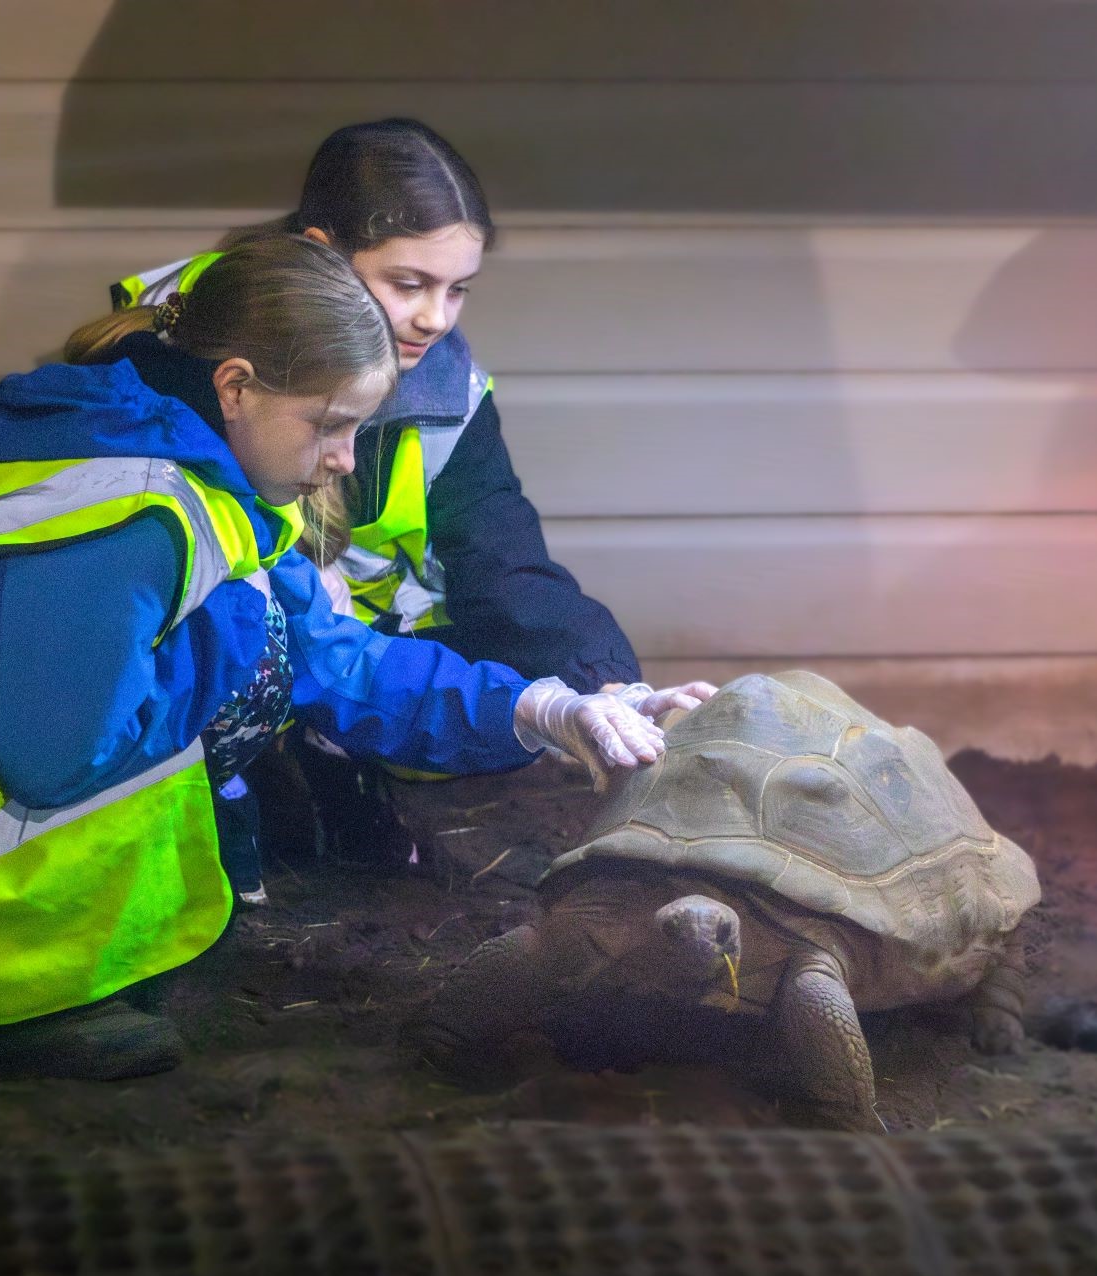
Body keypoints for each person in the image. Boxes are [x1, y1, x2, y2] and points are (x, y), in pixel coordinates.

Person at [0, 236, 689, 1080]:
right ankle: (5, 1011)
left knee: (271, 638)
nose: (342, 462)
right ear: (236, 387)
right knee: (256, 650)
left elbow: (347, 664)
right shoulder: (114, 517)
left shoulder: (189, 476)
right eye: (330, 426)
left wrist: (542, 709)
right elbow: (54, 760)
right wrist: (243, 639)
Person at [113, 117, 712, 869]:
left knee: (526, 669)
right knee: (250, 632)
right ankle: (245, 793)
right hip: (230, 642)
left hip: (341, 645)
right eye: (409, 284)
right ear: (323, 253)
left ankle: (327, 759)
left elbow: (505, 559)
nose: (435, 317)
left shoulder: (446, 383)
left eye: (457, 289)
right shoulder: (197, 351)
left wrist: (603, 687)